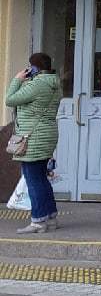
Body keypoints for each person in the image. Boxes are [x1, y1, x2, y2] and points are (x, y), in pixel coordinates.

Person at [5, 53, 62, 234]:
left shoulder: (37, 84)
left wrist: (16, 80)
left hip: (33, 137)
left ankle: (38, 221)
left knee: (33, 179)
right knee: (41, 178)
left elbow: (10, 99)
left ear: (34, 68)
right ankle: (50, 217)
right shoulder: (54, 83)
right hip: (47, 135)